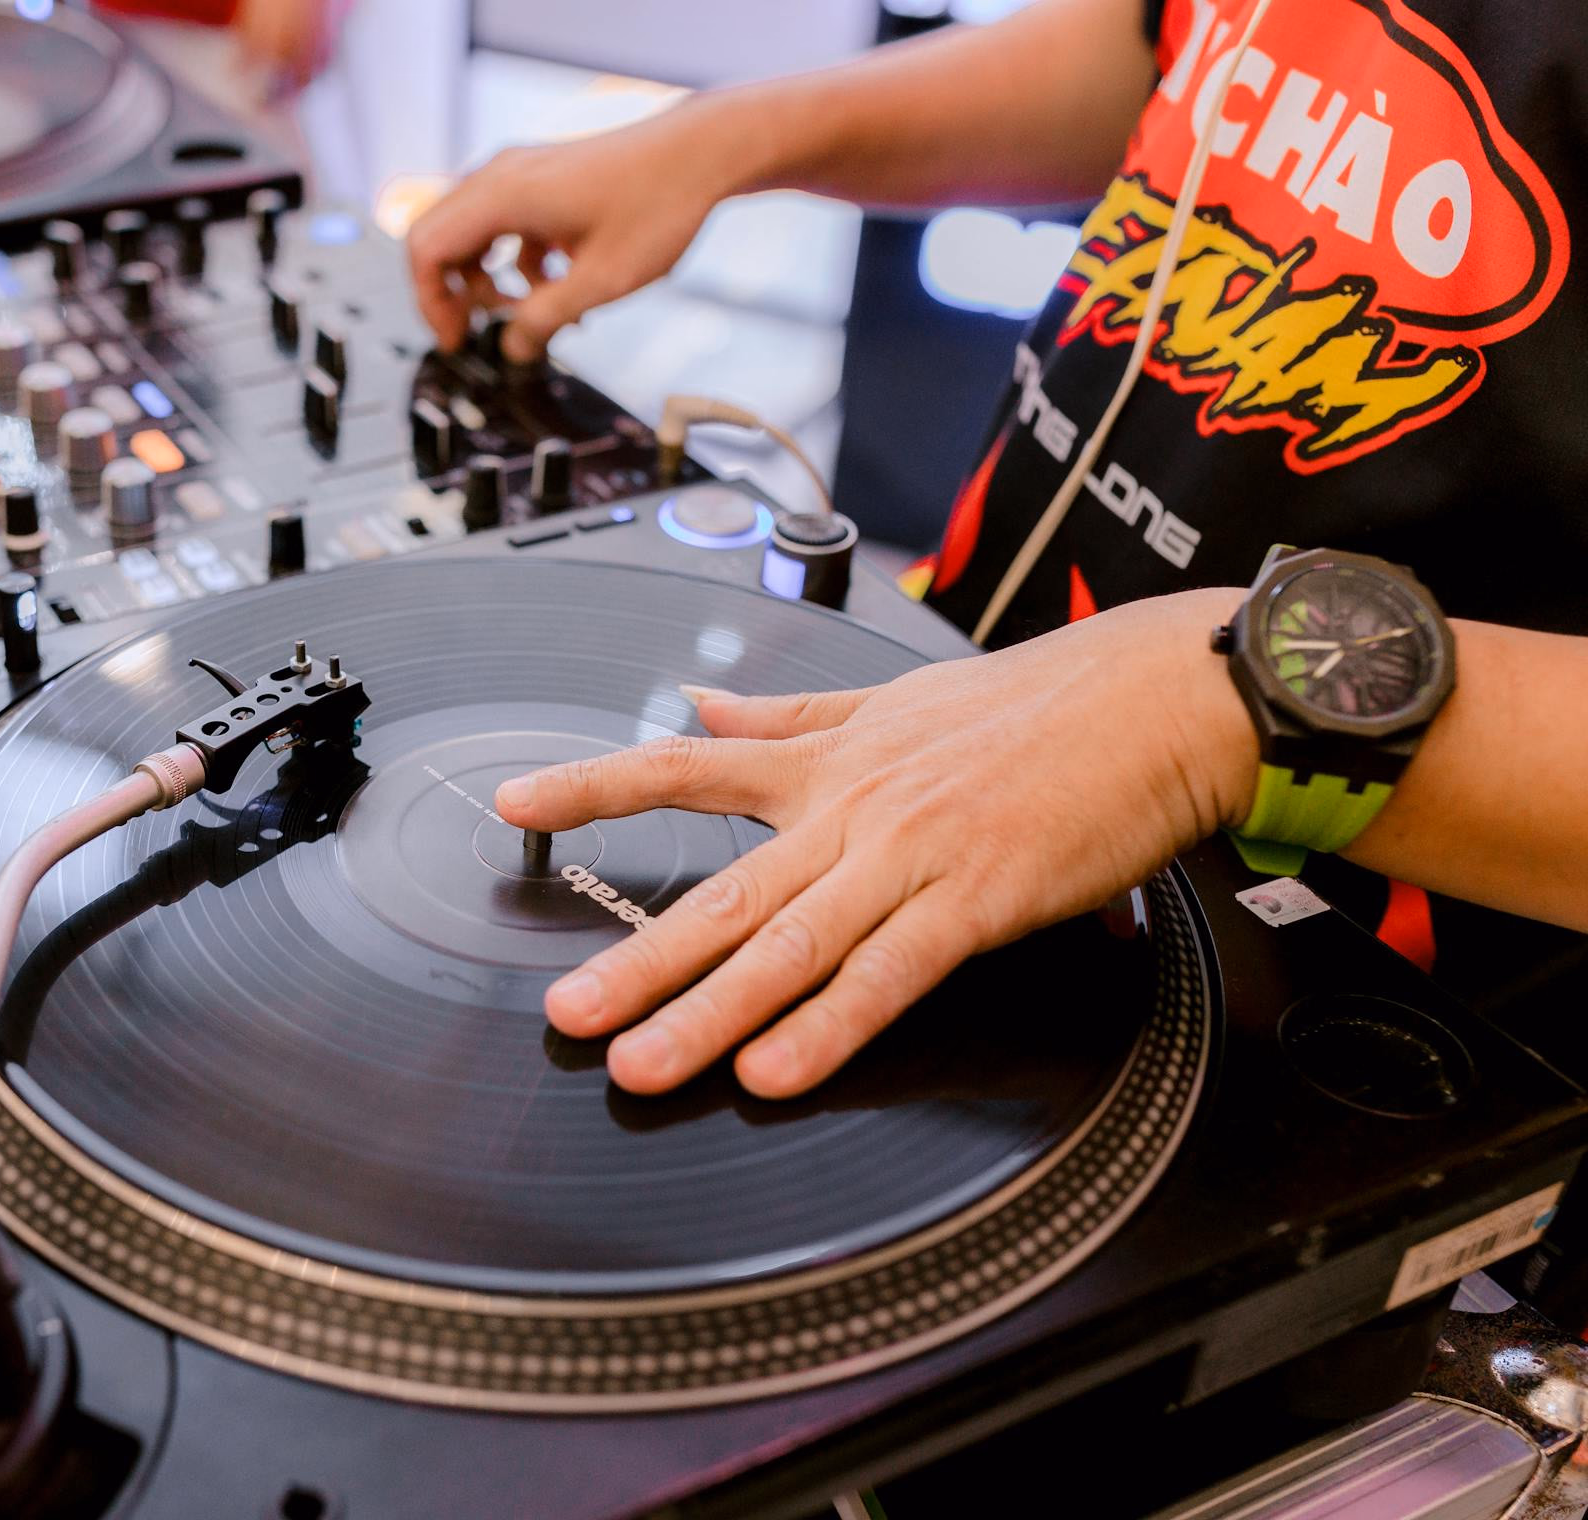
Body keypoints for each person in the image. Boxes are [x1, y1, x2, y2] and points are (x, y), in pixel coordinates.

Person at [406, 0, 1588, 1097]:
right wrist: (732, 136)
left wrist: (1215, 698)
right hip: (968, 715)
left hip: (1377, 993)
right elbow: (1174, 54)